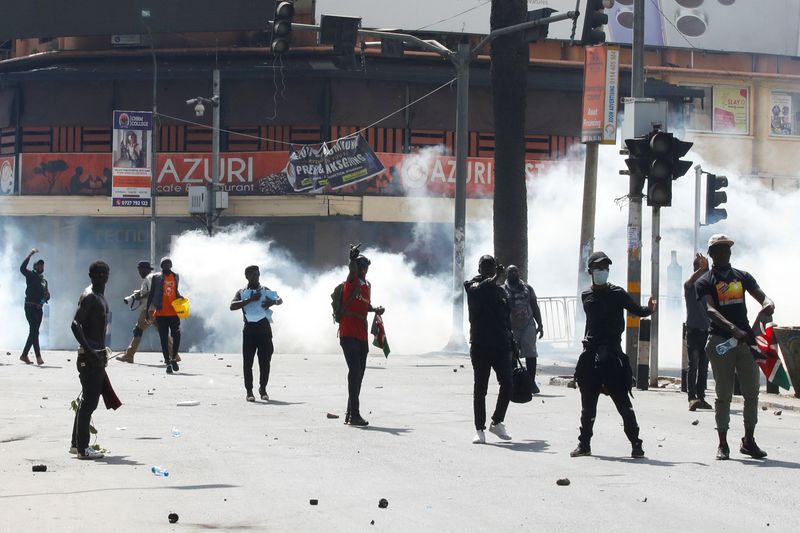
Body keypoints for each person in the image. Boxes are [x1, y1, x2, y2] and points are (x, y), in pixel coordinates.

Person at [695, 234, 775, 460]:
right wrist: (733, 329)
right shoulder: (705, 281)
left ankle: (749, 440)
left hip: (745, 342)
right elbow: (710, 310)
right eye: (718, 250)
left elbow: (761, 295)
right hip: (721, 341)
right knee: (723, 394)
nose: (722, 254)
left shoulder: (742, 277)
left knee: (752, 392)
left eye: (726, 250)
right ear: (710, 254)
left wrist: (767, 302)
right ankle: (722, 443)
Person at [571, 251, 655, 459]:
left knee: (623, 404)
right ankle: (584, 445)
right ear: (590, 271)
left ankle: (636, 444)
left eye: (606, 268)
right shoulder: (585, 295)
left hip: (612, 356)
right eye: (599, 268)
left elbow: (637, 310)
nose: (603, 272)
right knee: (587, 407)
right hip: (591, 356)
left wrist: (650, 309)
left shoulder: (618, 293)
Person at [465, 254, 515, 445]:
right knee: (481, 389)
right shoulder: (473, 286)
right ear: (479, 270)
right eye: (484, 267)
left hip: (501, 345)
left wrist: (512, 344)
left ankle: (497, 421)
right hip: (480, 346)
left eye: (491, 266)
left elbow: (506, 320)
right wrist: (493, 278)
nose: (487, 269)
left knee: (508, 384)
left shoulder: (501, 292)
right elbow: (479, 289)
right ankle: (479, 429)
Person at [339, 244, 385, 427]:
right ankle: (355, 414)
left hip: (362, 334)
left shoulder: (367, 285)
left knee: (360, 373)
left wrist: (375, 309)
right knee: (355, 371)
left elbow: (365, 305)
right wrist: (351, 260)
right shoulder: (352, 281)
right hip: (348, 333)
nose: (365, 270)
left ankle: (350, 413)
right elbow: (351, 272)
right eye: (363, 267)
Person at [70, 261, 111, 460]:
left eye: (105, 273)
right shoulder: (89, 297)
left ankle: (75, 444)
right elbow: (75, 325)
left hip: (97, 355)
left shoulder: (101, 297)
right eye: (99, 273)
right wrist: (91, 352)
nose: (103, 276)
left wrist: (101, 353)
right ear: (91, 276)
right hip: (90, 357)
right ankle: (83, 449)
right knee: (89, 403)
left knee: (87, 400)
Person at [230, 265, 282, 402]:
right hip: (249, 331)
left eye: (258, 274)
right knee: (248, 362)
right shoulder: (242, 292)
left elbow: (280, 300)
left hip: (264, 331)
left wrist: (273, 302)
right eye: (253, 275)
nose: (256, 277)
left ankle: (263, 388)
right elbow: (232, 306)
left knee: (265, 362)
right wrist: (249, 300)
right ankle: (249, 391)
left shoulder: (264, 290)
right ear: (247, 276)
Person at [118, 260, 173, 363]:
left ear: (145, 270)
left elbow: (152, 292)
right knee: (163, 332)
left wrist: (139, 297)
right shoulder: (152, 278)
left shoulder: (149, 278)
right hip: (156, 310)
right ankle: (174, 355)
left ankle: (129, 355)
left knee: (138, 330)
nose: (139, 272)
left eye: (140, 270)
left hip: (150, 309)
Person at [503, 265, 544, 394]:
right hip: (511, 327)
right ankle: (514, 382)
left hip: (528, 325)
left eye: (516, 271)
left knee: (530, 352)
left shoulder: (528, 288)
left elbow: (534, 306)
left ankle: (531, 382)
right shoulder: (503, 290)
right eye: (511, 271)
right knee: (512, 355)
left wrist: (540, 324)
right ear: (506, 274)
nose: (514, 273)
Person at [684, 253, 712, 411]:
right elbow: (689, 282)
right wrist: (701, 269)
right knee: (693, 364)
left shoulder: (708, 288)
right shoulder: (691, 286)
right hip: (693, 330)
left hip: (706, 331)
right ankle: (692, 397)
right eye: (701, 270)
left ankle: (701, 397)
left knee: (703, 366)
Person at [146, 257, 183, 374]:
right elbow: (151, 294)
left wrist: (180, 297)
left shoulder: (176, 276)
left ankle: (173, 359)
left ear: (171, 265)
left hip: (173, 312)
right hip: (161, 313)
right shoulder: (156, 277)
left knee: (176, 334)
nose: (167, 266)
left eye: (168, 264)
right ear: (161, 266)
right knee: (163, 338)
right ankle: (167, 362)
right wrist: (148, 310)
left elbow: (175, 291)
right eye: (164, 264)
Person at [19, 247, 50, 365]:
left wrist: (45, 298)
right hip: (30, 306)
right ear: (35, 267)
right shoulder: (31, 275)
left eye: (42, 266)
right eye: (39, 265)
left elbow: (46, 296)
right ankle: (38, 356)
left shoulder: (44, 281)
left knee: (34, 332)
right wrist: (30, 255)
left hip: (38, 309)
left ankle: (24, 355)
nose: (41, 267)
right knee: (34, 331)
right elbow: (22, 268)